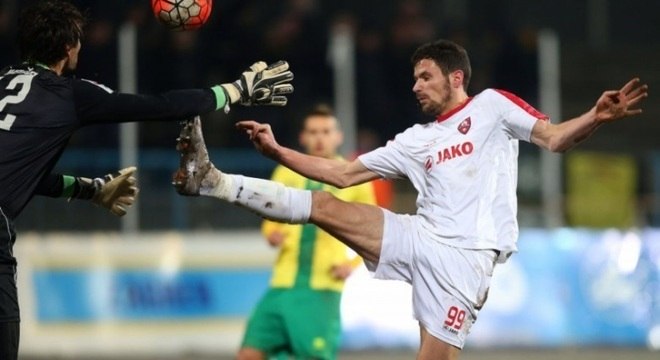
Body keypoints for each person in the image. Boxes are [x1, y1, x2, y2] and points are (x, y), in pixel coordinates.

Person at [173, 39, 648, 360]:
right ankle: (212, 180)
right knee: (325, 206)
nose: (415, 85)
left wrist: (595, 117)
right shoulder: (414, 140)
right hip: (420, 235)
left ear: (456, 77)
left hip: (467, 258)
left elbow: (554, 139)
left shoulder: (492, 106)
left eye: (424, 76)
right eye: (414, 78)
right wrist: (277, 151)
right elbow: (340, 173)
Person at [0, 1, 294, 358]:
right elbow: (160, 105)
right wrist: (235, 91)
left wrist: (89, 189)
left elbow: (18, 171)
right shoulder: (70, 94)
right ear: (68, 47)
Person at [237, 105, 376, 360]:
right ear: (303, 137)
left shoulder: (354, 178)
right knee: (248, 353)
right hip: (282, 284)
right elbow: (268, 217)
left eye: (325, 131)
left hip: (322, 287)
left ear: (338, 137)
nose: (319, 138)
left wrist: (351, 264)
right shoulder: (286, 172)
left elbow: (373, 231)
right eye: (313, 132)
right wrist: (271, 233)